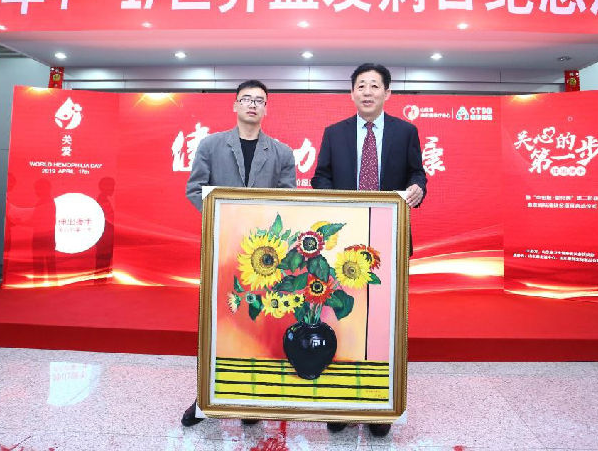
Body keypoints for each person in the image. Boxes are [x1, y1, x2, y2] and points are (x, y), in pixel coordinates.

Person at [312, 62, 427, 437]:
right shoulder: (334, 133)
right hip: (344, 241)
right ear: (352, 93)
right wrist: (337, 204)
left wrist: (418, 188)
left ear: (387, 93)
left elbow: (417, 173)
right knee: (342, 318)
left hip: (389, 237)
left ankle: (379, 404)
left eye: (374, 85)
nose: (367, 91)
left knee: (383, 322)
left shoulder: (406, 132)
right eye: (360, 85)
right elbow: (320, 177)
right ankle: (341, 401)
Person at [182, 79, 297, 427]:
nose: (252, 105)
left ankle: (251, 395)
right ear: (235, 105)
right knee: (216, 321)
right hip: (221, 247)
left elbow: (288, 200)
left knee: (257, 322)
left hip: (265, 257)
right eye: (246, 99)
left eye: (259, 100)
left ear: (266, 108)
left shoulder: (282, 152)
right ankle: (206, 396)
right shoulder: (211, 145)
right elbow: (195, 189)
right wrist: (226, 221)